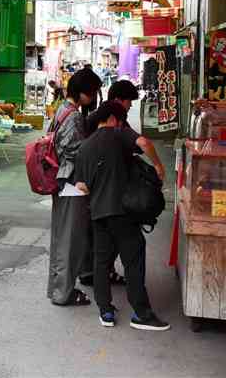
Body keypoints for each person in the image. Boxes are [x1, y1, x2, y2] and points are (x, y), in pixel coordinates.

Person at [74, 101, 169, 331]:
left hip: (99, 213)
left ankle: (105, 311)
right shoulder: (118, 133)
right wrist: (158, 165)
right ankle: (141, 314)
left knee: (101, 262)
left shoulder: (84, 147)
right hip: (123, 212)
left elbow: (82, 186)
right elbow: (144, 142)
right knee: (133, 259)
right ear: (114, 119)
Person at [47, 68, 102, 306]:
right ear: (82, 92)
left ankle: (57, 289)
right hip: (71, 182)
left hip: (60, 181)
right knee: (70, 239)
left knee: (61, 238)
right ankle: (64, 293)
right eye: (92, 93)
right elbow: (73, 151)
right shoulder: (74, 116)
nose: (94, 98)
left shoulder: (61, 110)